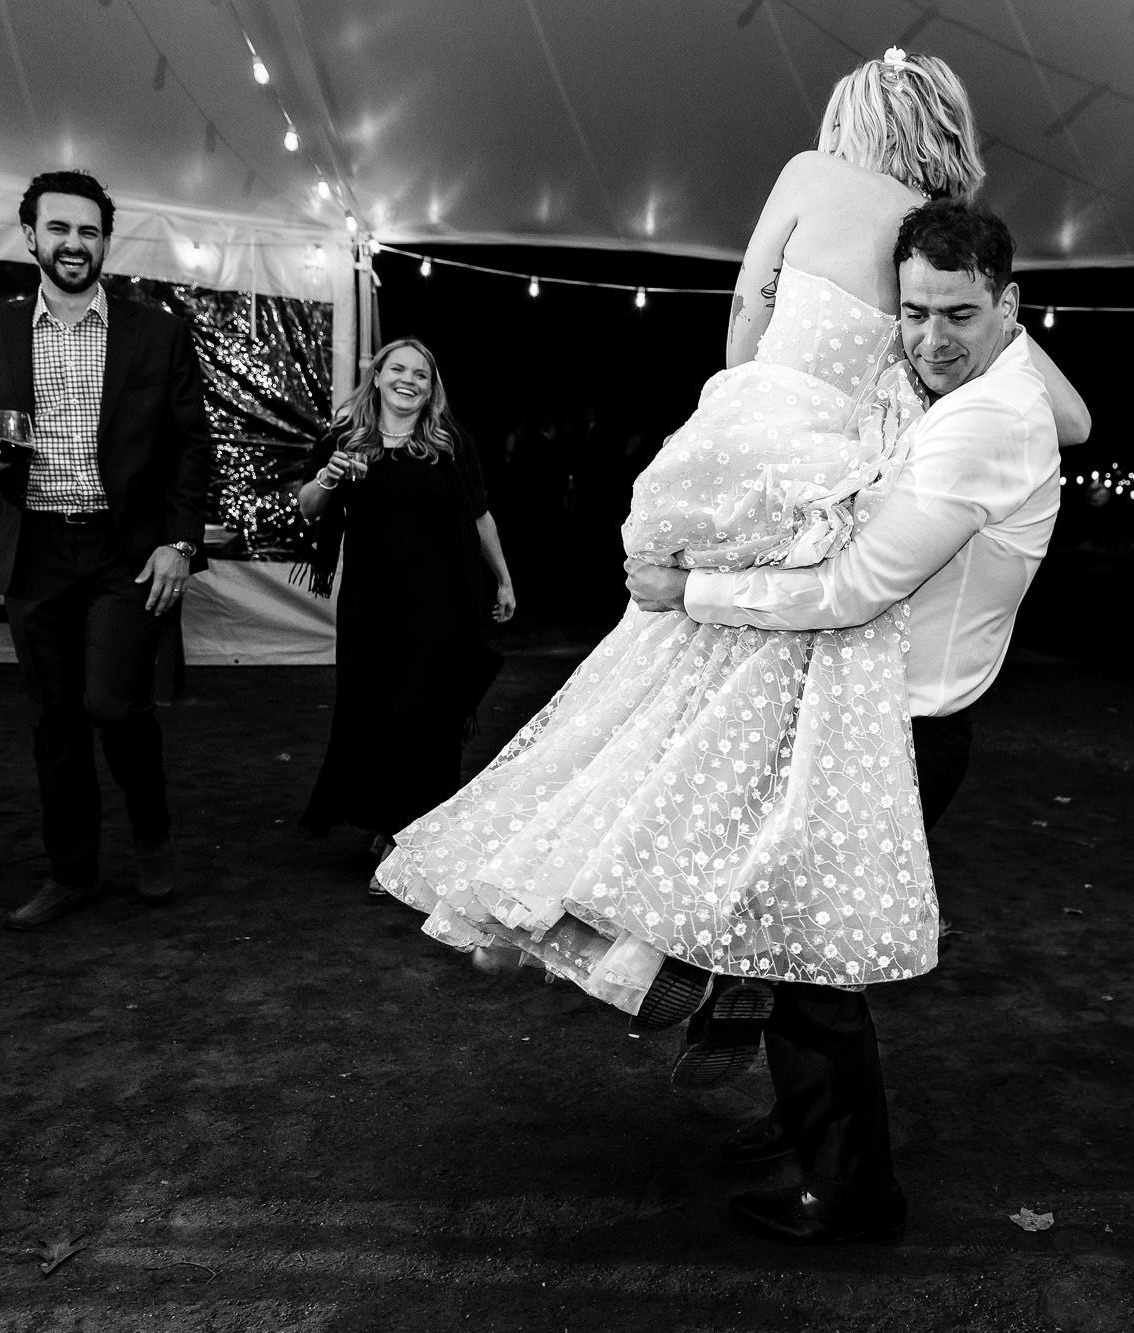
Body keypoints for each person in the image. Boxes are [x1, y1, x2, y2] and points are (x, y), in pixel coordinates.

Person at [374, 50, 1085, 1038]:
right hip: (848, 480)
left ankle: (596, 914)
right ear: (943, 128)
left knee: (657, 689)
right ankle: (676, 949)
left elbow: (748, 306)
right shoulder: (938, 247)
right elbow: (1069, 415)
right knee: (757, 724)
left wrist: (751, 397)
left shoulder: (809, 175)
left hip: (757, 438)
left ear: (854, 115)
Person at [626, 196, 1062, 1245]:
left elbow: (855, 585)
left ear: (1009, 306)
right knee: (786, 942)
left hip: (905, 736)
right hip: (875, 720)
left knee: (812, 966)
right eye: (912, 313)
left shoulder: (984, 422)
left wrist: (688, 589)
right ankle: (794, 1121)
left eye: (956, 315)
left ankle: (853, 1195)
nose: (927, 339)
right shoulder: (968, 393)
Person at [0, 170, 211, 928]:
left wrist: (179, 543)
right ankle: (73, 872)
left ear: (104, 243)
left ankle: (152, 830)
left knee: (114, 705)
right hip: (32, 548)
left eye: (88, 231)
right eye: (59, 228)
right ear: (30, 235)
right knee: (55, 718)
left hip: (122, 549)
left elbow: (192, 446)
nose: (73, 243)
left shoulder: (155, 331)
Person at [298, 338, 517, 863]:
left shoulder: (450, 442)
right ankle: (383, 819)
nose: (409, 380)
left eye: (421, 374)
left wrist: (504, 579)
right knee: (373, 709)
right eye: (398, 369)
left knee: (428, 714)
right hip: (371, 607)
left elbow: (480, 517)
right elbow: (308, 507)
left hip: (439, 605)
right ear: (377, 376)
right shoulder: (345, 440)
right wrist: (328, 477)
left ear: (431, 387)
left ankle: (408, 833)